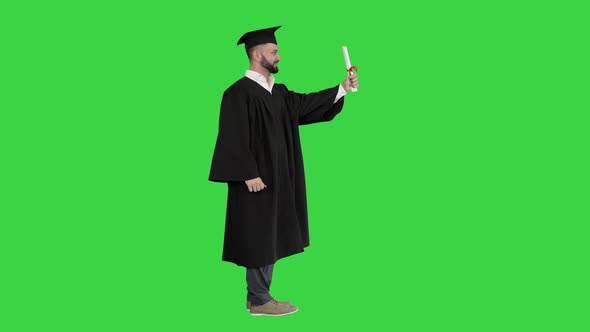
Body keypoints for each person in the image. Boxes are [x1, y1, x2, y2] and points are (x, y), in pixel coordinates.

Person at [208, 26, 358, 316]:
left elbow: (308, 105)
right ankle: (260, 299)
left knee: (269, 235)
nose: (279, 55)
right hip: (254, 180)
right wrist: (248, 172)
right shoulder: (237, 93)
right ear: (256, 53)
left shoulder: (280, 93)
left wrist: (342, 88)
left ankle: (258, 298)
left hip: (278, 179)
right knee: (257, 236)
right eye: (274, 51)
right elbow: (231, 135)